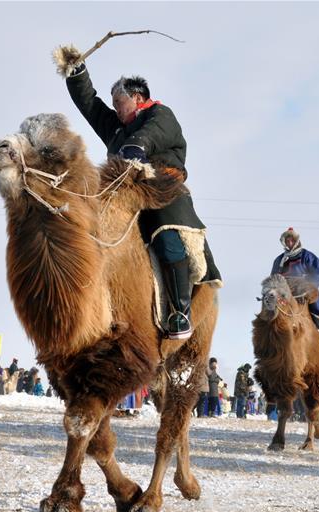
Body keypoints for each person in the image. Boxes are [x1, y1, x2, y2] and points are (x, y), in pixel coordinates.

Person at [63, 58, 220, 341]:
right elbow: (91, 106)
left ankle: (179, 310)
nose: (114, 109)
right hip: (124, 193)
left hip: (160, 189)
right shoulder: (117, 129)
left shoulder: (160, 114)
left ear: (137, 98)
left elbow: (154, 133)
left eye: (118, 103)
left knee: (166, 238)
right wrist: (76, 74)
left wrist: (137, 145)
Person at [271, 228, 319, 343]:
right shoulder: (280, 260)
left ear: (296, 241)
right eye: (287, 241)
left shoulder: (307, 256)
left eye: (291, 240)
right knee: (270, 311)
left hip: (303, 288)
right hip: (285, 292)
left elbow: (318, 275)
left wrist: (307, 287)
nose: (289, 243)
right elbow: (274, 278)